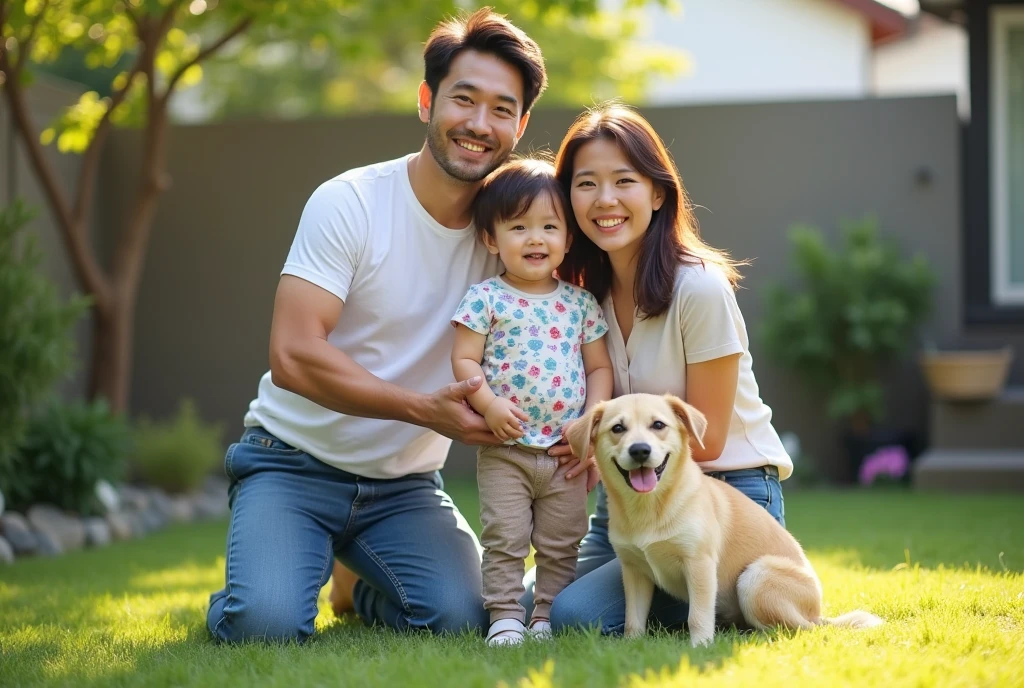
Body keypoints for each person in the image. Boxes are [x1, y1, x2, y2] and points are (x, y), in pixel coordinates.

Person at [206, 8, 548, 644]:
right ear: (426, 101)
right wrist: (422, 410)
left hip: (403, 487)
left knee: (467, 619)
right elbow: (293, 354)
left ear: (520, 125)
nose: (479, 125)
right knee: (265, 624)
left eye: (502, 109)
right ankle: (256, 585)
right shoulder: (351, 202)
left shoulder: (514, 236)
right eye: (463, 100)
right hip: (292, 463)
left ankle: (355, 586)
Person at [539, 102, 795, 635]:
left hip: (728, 494)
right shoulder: (586, 299)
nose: (604, 200)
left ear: (657, 193)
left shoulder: (698, 290)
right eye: (585, 184)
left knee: (575, 617)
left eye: (623, 181)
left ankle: (723, 607)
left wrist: (610, 448)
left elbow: (711, 439)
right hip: (631, 494)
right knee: (523, 607)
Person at [450, 158, 613, 645]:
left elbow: (599, 368)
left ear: (568, 238)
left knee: (563, 542)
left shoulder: (580, 302)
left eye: (549, 226)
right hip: (507, 449)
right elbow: (464, 361)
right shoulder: (486, 299)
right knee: (505, 537)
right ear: (491, 239)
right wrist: (488, 405)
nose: (535, 239)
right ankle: (504, 614)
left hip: (565, 453)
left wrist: (591, 420)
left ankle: (545, 615)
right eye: (518, 227)